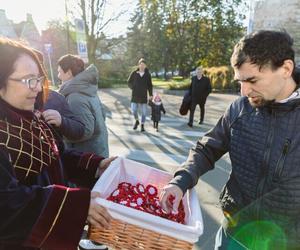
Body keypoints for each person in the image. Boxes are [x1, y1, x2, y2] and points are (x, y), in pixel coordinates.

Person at [160, 30, 300, 250]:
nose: (244, 91)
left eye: (252, 80)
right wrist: (180, 181)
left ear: (285, 69)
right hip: (232, 234)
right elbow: (206, 149)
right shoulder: (239, 109)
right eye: (240, 82)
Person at [0, 37, 116, 250]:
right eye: (28, 80)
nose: (37, 88)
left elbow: (58, 157)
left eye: (38, 78)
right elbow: (7, 206)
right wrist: (73, 205)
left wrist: (96, 165)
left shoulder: (34, 117)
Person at [57, 54, 109, 158]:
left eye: (59, 72)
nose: (58, 76)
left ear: (68, 73)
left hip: (86, 159)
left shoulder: (75, 97)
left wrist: (60, 132)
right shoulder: (86, 88)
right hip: (97, 151)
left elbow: (85, 131)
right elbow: (102, 115)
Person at [128, 58, 153, 132]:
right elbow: (129, 82)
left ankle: (142, 125)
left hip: (143, 96)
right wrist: (133, 87)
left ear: (145, 66)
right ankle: (137, 121)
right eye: (141, 64)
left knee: (144, 112)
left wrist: (151, 95)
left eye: (143, 65)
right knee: (134, 110)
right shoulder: (134, 73)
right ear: (138, 65)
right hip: (135, 95)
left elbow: (150, 85)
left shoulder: (147, 74)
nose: (142, 66)